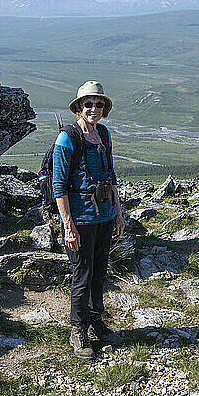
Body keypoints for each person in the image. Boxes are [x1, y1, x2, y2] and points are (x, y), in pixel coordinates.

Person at [52, 81, 125, 360]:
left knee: (98, 273)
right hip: (80, 219)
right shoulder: (67, 139)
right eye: (88, 104)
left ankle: (95, 319)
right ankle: (78, 330)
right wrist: (68, 227)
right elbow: (59, 186)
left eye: (99, 104)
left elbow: (112, 177)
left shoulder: (104, 135)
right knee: (82, 276)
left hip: (105, 216)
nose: (94, 108)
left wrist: (118, 214)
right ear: (79, 108)